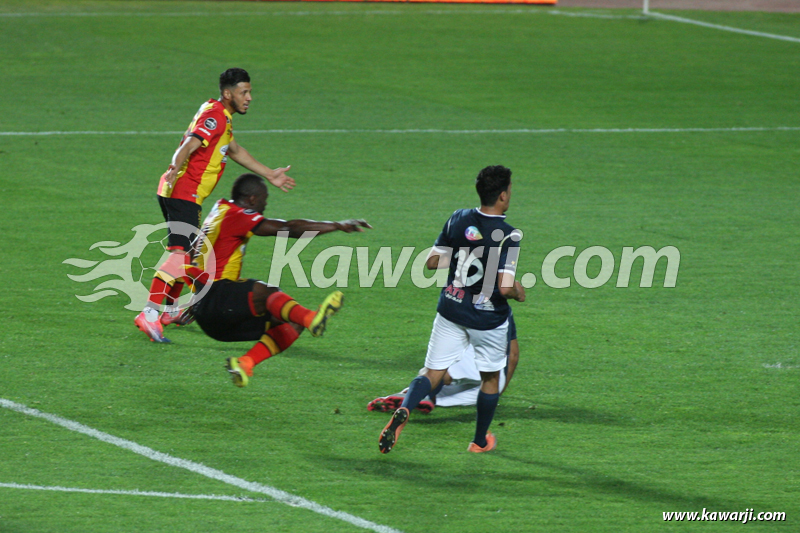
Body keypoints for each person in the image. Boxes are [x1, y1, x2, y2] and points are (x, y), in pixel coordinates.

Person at [135, 68, 296, 343]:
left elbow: (234, 151)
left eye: (250, 91)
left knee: (186, 254)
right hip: (183, 193)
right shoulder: (215, 117)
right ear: (228, 93)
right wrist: (176, 164)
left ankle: (168, 311)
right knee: (179, 256)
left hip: (181, 193)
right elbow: (191, 142)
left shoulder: (221, 115)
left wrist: (269, 173)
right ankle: (149, 313)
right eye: (244, 92)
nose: (249, 97)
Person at [378, 165, 525, 454]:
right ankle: (480, 440)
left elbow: (432, 262)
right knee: (491, 378)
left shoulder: (458, 217)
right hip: (487, 318)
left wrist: (463, 257)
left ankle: (406, 409)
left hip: (451, 307)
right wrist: (519, 291)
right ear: (504, 196)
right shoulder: (508, 236)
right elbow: (505, 287)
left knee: (432, 372)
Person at [186, 173, 370, 387]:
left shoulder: (218, 211)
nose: (265, 204)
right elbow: (288, 229)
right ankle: (312, 318)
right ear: (252, 199)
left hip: (209, 319)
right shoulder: (238, 214)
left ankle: (245, 363)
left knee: (291, 321)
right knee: (266, 291)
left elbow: (191, 257)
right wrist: (337, 225)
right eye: (265, 199)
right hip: (217, 298)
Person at [367, 314, 519, 413]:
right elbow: (513, 355)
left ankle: (411, 397)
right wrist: (498, 390)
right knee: (440, 395)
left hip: (481, 364)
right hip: (493, 381)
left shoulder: (466, 301)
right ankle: (418, 398)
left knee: (438, 373)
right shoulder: (504, 310)